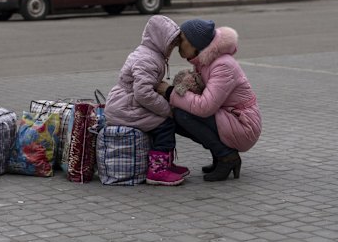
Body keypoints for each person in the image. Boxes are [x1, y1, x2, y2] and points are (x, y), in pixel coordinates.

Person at [157, 19, 262, 181]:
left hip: (244, 124)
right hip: (230, 117)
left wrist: (170, 92)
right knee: (176, 117)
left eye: (182, 40)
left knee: (182, 115)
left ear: (195, 43)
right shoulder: (206, 62)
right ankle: (219, 153)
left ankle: (227, 157)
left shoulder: (223, 65)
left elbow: (205, 107)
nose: (179, 44)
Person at [104, 15, 188, 186]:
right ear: (160, 40)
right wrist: (167, 108)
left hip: (127, 104)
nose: (172, 48)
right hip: (126, 107)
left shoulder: (149, 54)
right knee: (164, 124)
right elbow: (143, 93)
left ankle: (166, 163)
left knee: (162, 122)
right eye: (171, 44)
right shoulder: (147, 59)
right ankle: (158, 171)